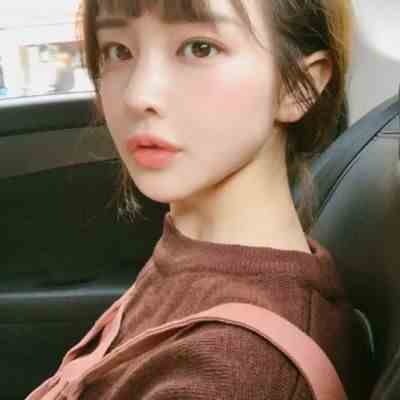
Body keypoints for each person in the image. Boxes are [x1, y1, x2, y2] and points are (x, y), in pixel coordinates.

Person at [26, 0, 373, 399]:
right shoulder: (192, 249)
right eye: (118, 51)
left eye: (199, 48)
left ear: (298, 86)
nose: (137, 95)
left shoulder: (233, 372)